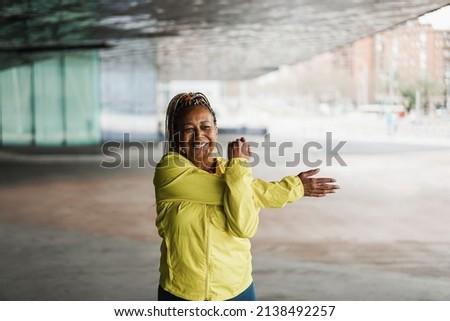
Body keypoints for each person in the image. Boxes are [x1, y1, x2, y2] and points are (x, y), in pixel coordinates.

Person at [153, 92, 339, 301]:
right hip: (181, 293)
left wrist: (237, 171)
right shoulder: (170, 171)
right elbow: (247, 191)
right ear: (176, 135)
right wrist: (294, 187)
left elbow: (244, 228)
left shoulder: (232, 173)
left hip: (237, 290)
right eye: (188, 129)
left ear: (216, 129)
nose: (199, 136)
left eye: (205, 127)